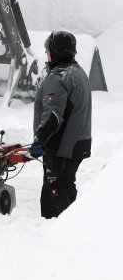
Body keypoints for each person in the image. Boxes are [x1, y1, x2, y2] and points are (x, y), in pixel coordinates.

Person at [29, 30, 92, 219]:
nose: (46, 56)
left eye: (48, 51)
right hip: (77, 144)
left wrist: (40, 140)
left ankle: (60, 236)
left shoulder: (58, 78)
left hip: (61, 149)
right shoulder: (78, 72)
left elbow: (53, 115)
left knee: (54, 200)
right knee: (65, 188)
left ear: (57, 52)